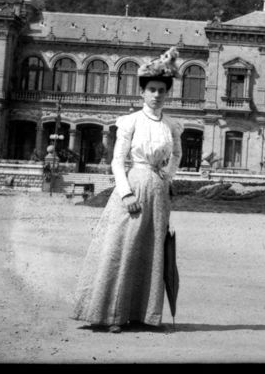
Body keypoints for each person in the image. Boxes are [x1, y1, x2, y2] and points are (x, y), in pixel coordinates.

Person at [71, 47, 183, 332]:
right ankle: (112, 314)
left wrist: (167, 176)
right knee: (123, 249)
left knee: (151, 251)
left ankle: (143, 315)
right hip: (133, 188)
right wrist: (125, 193)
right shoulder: (130, 121)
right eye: (152, 90)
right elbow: (117, 160)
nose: (157, 95)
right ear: (142, 93)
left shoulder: (171, 125)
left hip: (158, 193)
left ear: (167, 93)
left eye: (161, 90)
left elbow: (178, 155)